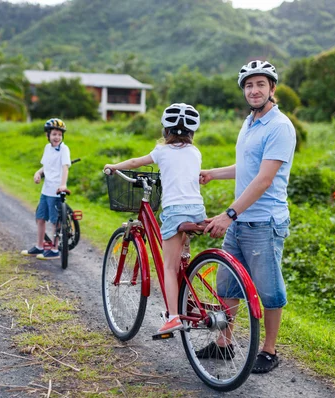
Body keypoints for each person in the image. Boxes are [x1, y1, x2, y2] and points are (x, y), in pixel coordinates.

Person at [198, 60, 296, 374]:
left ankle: (269, 350)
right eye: (249, 85)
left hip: (264, 223)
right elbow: (248, 168)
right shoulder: (250, 122)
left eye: (260, 85)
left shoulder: (280, 126)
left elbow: (264, 179)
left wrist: (228, 214)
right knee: (226, 284)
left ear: (272, 89)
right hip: (240, 221)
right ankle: (224, 343)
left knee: (268, 289)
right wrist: (214, 174)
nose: (254, 90)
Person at [104, 103, 206, 335]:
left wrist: (113, 166)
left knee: (168, 267)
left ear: (165, 131)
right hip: (197, 210)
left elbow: (133, 164)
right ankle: (184, 290)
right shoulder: (196, 152)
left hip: (175, 211)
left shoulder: (161, 152)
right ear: (192, 133)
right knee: (180, 257)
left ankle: (173, 317)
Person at [21, 118, 71, 260]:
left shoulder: (64, 149)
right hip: (45, 189)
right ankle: (39, 246)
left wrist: (63, 185)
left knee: (55, 221)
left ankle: (54, 250)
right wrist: (38, 173)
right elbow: (46, 166)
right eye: (54, 134)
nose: (57, 137)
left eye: (60, 135)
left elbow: (65, 167)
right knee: (40, 218)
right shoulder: (47, 148)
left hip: (56, 190)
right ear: (48, 135)